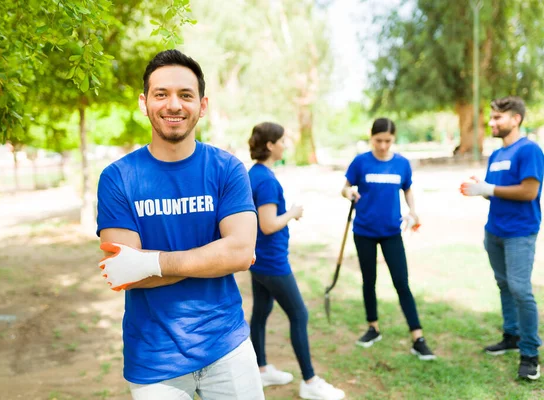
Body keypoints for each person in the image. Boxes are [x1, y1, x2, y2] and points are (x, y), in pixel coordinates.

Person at [95, 49, 265, 399]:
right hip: (154, 358)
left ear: (202, 105)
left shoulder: (227, 169)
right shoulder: (118, 178)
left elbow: (240, 251)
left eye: (185, 95)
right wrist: (214, 258)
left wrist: (153, 261)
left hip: (227, 345)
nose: (174, 105)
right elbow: (126, 272)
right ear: (145, 103)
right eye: (162, 94)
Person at [247, 122, 345, 400]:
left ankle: (261, 369)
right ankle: (310, 381)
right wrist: (292, 212)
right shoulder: (265, 180)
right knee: (299, 314)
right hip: (271, 262)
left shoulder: (255, 173)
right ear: (270, 145)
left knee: (261, 312)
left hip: (260, 260)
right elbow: (267, 224)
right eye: (281, 140)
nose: (285, 144)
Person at [460, 96, 543, 380]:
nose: (492, 123)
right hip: (493, 230)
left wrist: (490, 189)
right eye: (491, 117)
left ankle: (530, 354)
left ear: (516, 119)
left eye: (498, 118)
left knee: (521, 290)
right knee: (504, 284)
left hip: (520, 233)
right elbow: (494, 190)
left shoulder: (529, 150)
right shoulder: (496, 155)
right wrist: (479, 189)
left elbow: (529, 192)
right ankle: (512, 336)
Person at [341, 117, 436, 360]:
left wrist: (413, 211)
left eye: (388, 141)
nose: (383, 146)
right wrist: (349, 191)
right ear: (371, 137)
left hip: (392, 232)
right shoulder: (360, 162)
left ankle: (418, 337)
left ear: (393, 139)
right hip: (364, 232)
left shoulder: (402, 164)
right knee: (368, 280)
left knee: (401, 283)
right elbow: (345, 187)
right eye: (378, 140)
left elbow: (407, 188)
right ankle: (373, 327)